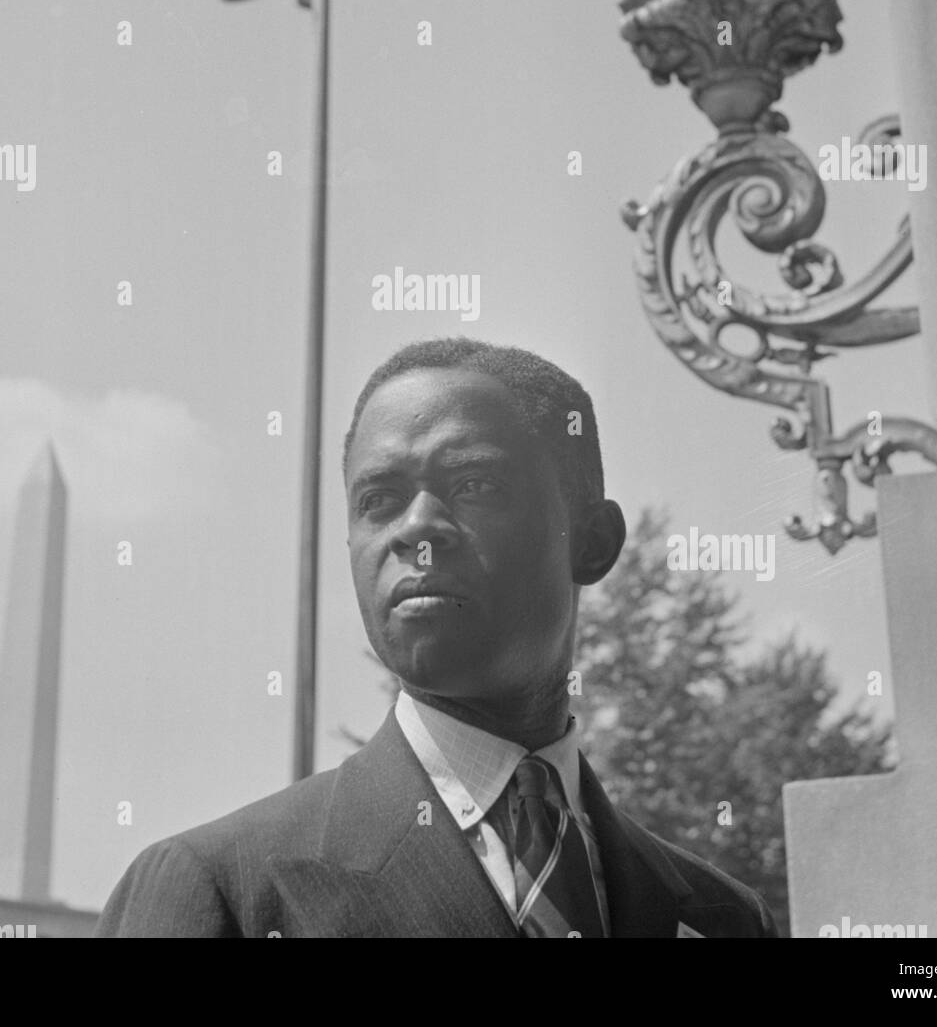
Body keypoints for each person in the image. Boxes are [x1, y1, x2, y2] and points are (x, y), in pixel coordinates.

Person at [96, 337, 776, 938]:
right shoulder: (226, 892)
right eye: (379, 500)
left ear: (594, 541)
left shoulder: (721, 917)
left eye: (473, 483)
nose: (415, 527)